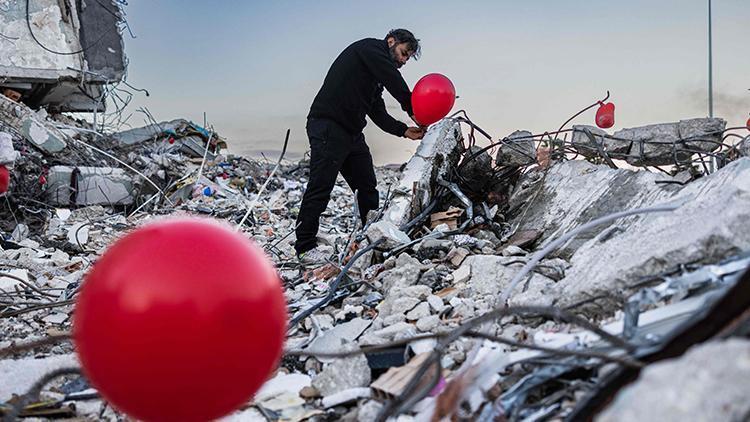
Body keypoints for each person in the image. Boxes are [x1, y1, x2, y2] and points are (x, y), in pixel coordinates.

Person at [295, 29, 425, 262]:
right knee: (321, 186)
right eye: (404, 53)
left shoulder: (374, 79)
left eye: (407, 58)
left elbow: (377, 111)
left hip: (352, 134)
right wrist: (411, 106)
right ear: (391, 41)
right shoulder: (369, 49)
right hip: (328, 126)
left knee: (367, 186)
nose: (404, 61)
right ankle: (305, 247)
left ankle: (370, 237)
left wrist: (403, 130)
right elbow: (391, 76)